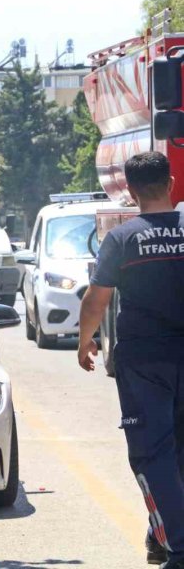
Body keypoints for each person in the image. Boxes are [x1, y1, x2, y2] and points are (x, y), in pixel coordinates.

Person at [78, 151, 184, 569]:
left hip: (145, 362)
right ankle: (161, 535)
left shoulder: (123, 239)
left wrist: (85, 341)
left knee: (151, 453)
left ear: (131, 191)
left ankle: (177, 544)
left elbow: (95, 300)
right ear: (171, 185)